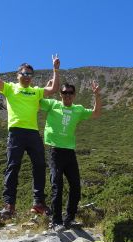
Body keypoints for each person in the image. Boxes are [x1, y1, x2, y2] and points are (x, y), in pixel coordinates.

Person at [0, 41, 60, 219]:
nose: (27, 76)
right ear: (17, 74)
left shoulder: (35, 91)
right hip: (16, 133)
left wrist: (55, 70)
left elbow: (54, 89)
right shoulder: (10, 88)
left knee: (39, 166)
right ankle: (9, 205)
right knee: (13, 167)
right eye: (24, 73)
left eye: (30, 74)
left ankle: (38, 204)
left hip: (33, 133)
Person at [40, 80, 101, 230]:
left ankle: (70, 219)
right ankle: (56, 221)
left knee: (75, 186)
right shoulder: (52, 104)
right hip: (55, 150)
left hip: (69, 152)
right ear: (60, 94)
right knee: (57, 185)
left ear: (74, 95)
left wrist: (97, 95)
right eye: (64, 92)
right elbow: (36, 99)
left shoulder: (78, 109)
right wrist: (47, 89)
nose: (67, 95)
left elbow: (96, 113)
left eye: (70, 93)